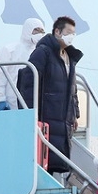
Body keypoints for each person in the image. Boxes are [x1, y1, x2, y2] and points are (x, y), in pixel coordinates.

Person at [18, 16, 83, 174]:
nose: (71, 36)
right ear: (57, 32)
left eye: (73, 33)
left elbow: (72, 90)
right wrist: (29, 114)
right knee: (43, 161)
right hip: (46, 118)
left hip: (62, 120)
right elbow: (29, 83)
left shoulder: (69, 58)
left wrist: (74, 114)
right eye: (68, 32)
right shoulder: (43, 52)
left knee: (55, 163)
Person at [0, 18, 45, 111]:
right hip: (11, 101)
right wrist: (0, 99)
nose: (39, 34)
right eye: (36, 30)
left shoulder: (41, 53)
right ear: (27, 30)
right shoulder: (10, 50)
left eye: (41, 31)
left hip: (33, 102)